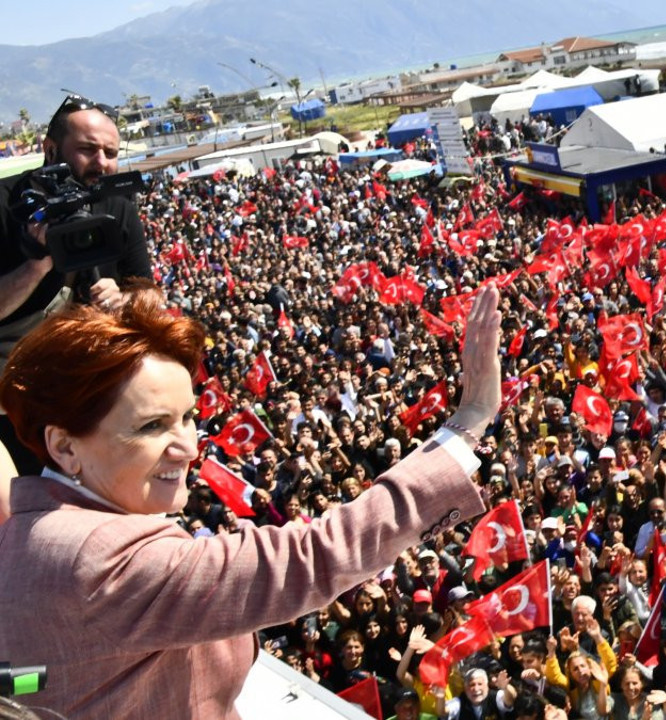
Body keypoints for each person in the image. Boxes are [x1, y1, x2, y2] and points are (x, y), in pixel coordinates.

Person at [0, 285, 502, 716]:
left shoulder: (35, 532)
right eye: (152, 426)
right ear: (65, 446)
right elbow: (315, 555)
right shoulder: (98, 558)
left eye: (188, 417)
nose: (190, 447)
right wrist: (470, 420)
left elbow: (46, 677)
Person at [0, 94, 153, 480]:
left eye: (110, 152)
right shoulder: (4, 204)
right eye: (87, 149)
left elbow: (150, 294)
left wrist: (126, 298)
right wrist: (38, 262)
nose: (101, 162)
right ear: (50, 149)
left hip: (82, 390)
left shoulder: (117, 205)